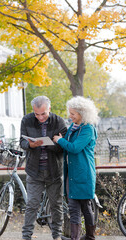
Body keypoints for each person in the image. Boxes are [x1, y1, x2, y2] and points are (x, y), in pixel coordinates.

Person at [20, 96, 67, 240]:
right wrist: (29, 145)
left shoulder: (59, 121)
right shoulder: (26, 120)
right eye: (36, 114)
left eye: (43, 114)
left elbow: (63, 147)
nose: (40, 117)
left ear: (49, 109)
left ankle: (57, 235)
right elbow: (21, 141)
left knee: (56, 205)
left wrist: (50, 144)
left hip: (54, 170)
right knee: (31, 204)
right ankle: (26, 236)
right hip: (34, 171)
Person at [53, 96, 99, 240]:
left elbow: (74, 148)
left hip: (83, 173)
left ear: (82, 114)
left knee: (85, 207)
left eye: (73, 113)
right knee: (73, 208)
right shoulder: (74, 127)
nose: (70, 116)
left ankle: (90, 237)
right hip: (71, 173)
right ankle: (76, 238)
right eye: (70, 113)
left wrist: (59, 140)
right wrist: (63, 139)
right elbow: (69, 145)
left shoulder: (88, 129)